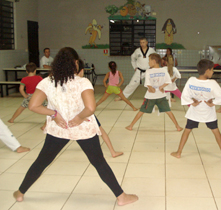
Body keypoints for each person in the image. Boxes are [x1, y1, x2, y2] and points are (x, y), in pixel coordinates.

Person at [13, 47, 138, 206]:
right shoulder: (82, 82)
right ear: (76, 63)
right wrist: (79, 117)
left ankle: (20, 193)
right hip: (83, 128)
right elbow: (91, 108)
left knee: (42, 161)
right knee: (99, 162)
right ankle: (121, 197)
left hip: (58, 129)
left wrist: (54, 114)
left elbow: (33, 106)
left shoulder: (47, 81)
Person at [170, 59, 221, 160]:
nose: (213, 72)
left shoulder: (191, 80)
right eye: (212, 70)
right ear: (207, 70)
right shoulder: (212, 83)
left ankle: (178, 152)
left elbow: (184, 95)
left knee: (187, 130)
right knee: (215, 131)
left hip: (195, 111)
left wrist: (192, 102)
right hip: (208, 113)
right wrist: (213, 103)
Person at [77, 59, 123, 158]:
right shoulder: (84, 82)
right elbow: (90, 105)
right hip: (84, 113)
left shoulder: (65, 82)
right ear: (81, 71)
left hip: (72, 114)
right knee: (101, 131)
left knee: (62, 135)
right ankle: (112, 152)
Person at [126, 53, 182, 131]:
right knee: (168, 111)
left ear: (154, 61)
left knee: (142, 110)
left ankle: (131, 126)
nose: (148, 63)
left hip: (150, 96)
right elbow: (168, 81)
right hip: (161, 95)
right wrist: (161, 87)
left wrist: (151, 88)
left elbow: (148, 83)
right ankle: (178, 127)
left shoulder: (149, 71)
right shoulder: (163, 70)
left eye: (149, 61)